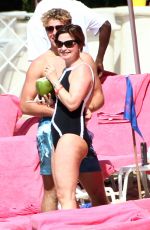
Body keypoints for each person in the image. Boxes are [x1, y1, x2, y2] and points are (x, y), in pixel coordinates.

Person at [20, 8, 108, 212]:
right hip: (49, 130)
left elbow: (98, 97)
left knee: (95, 193)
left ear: (69, 27)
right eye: (49, 29)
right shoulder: (40, 63)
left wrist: (86, 107)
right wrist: (57, 111)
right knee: (53, 191)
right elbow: (25, 104)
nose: (53, 33)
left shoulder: (83, 60)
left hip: (76, 129)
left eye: (58, 28)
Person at [44, 23, 97, 209]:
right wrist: (53, 102)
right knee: (97, 199)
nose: (64, 48)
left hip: (71, 137)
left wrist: (53, 80)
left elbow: (74, 103)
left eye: (69, 43)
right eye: (60, 44)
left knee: (65, 197)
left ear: (80, 44)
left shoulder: (81, 69)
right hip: (66, 136)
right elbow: (70, 104)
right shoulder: (69, 70)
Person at [27, 0, 111, 76]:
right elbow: (105, 25)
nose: (55, 32)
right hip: (82, 69)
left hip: (53, 74)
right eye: (49, 29)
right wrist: (99, 60)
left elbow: (34, 64)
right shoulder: (76, 5)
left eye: (59, 28)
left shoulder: (35, 17)